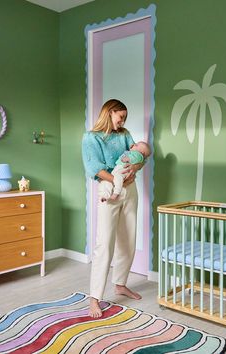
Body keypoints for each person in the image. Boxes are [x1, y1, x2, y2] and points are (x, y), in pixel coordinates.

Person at [82, 99, 146, 318]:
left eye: (125, 118)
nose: (123, 121)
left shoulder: (125, 134)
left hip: (130, 190)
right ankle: (94, 298)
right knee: (105, 243)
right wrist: (118, 180)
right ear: (109, 113)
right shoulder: (91, 137)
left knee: (128, 240)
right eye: (121, 117)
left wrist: (134, 169)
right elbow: (95, 168)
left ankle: (120, 284)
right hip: (110, 189)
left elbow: (138, 155)